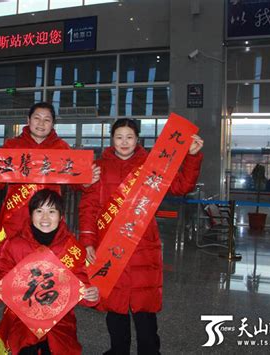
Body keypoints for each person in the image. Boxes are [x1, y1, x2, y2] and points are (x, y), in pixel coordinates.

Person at [79, 118, 204, 355]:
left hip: (142, 245)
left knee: (144, 310)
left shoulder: (151, 165)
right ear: (111, 139)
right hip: (109, 245)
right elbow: (88, 208)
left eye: (129, 137)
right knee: (115, 309)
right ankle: (119, 350)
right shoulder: (99, 167)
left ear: (137, 139)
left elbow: (181, 186)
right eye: (119, 137)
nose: (124, 142)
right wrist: (87, 242)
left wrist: (192, 157)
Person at [0, 189, 99, 355]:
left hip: (59, 322)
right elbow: (1, 275)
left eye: (52, 211)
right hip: (22, 320)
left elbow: (81, 283)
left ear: (61, 216)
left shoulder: (72, 247)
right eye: (39, 211)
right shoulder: (15, 244)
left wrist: (89, 295)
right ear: (30, 215)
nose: (45, 218)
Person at [0, 102, 100, 257]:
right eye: (37, 118)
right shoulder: (12, 145)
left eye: (47, 119)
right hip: (16, 217)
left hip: (48, 219)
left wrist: (86, 182)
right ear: (28, 120)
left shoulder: (61, 147)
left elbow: (76, 183)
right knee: (11, 266)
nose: (41, 123)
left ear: (53, 124)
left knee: (46, 268)